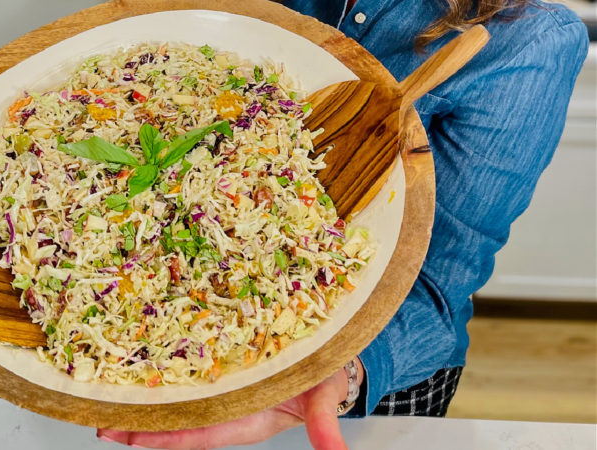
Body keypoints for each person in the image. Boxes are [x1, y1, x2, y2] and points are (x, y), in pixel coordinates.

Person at [97, 0, 589, 448]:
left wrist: (341, 376)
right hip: (163, 334)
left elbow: (442, 282)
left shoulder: (531, 37)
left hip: (368, 383)